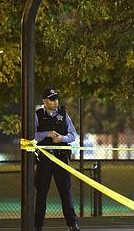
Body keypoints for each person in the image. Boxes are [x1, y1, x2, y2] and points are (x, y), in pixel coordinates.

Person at [35, 87, 80, 231]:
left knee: (65, 192)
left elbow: (73, 135)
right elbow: (31, 136)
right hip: (44, 160)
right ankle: (37, 225)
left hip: (61, 159)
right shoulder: (37, 115)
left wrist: (62, 138)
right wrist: (46, 134)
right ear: (44, 101)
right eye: (51, 99)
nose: (55, 102)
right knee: (41, 193)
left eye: (56, 99)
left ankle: (72, 224)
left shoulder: (63, 115)